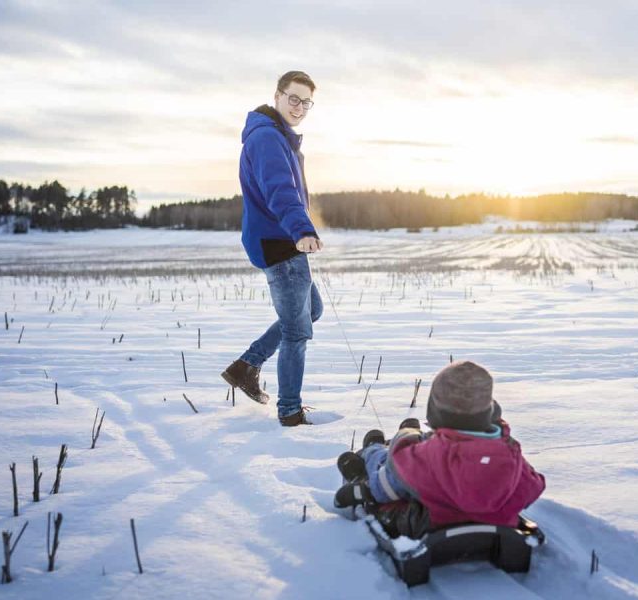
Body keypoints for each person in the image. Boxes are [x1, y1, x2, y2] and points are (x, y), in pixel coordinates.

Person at [335, 360, 546, 537]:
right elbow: (532, 487)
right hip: (496, 522)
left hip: (430, 524)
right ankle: (401, 439)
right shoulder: (508, 452)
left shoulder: (430, 454)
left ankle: (372, 451)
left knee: (389, 461)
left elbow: (387, 487)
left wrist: (363, 490)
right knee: (407, 462)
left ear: (436, 413)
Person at [221, 70, 323, 427]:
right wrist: (301, 229)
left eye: (306, 102)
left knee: (311, 309)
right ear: (278, 96)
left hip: (279, 239)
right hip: (281, 243)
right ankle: (290, 411)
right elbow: (280, 190)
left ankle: (246, 365)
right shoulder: (267, 138)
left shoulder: (276, 136)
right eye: (293, 98)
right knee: (297, 331)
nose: (299, 107)